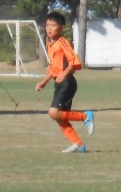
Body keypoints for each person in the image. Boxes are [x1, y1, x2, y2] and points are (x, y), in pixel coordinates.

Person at [35, 11, 94, 153]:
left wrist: (64, 73)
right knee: (60, 117)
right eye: (47, 25)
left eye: (53, 25)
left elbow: (75, 62)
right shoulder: (49, 44)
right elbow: (53, 67)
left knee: (53, 113)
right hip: (59, 83)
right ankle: (78, 145)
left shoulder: (62, 42)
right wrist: (44, 81)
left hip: (67, 83)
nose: (49, 28)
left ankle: (85, 116)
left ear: (61, 28)